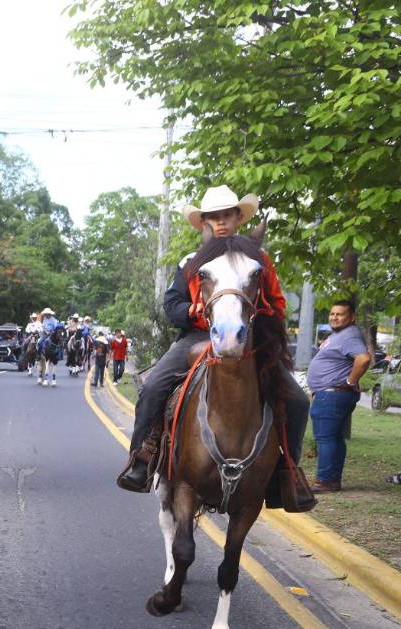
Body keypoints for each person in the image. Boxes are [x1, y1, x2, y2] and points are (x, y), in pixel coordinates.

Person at [115, 185, 315, 512]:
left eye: (226, 215)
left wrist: (259, 317)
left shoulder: (259, 260)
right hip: (197, 337)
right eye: (213, 217)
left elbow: (277, 304)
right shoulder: (191, 262)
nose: (220, 222)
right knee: (153, 387)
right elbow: (172, 304)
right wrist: (190, 311)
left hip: (248, 339)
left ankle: (286, 474)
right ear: (204, 222)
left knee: (297, 401)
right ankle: (142, 457)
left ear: (238, 218)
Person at [307, 300, 371, 493]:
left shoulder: (349, 336)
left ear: (351, 317)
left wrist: (350, 381)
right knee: (334, 438)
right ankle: (333, 480)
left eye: (340, 314)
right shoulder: (340, 335)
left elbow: (363, 359)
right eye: (332, 314)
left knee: (325, 438)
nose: (334, 317)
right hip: (330, 394)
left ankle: (324, 481)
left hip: (332, 395)